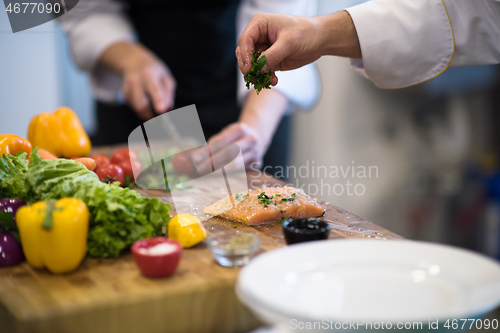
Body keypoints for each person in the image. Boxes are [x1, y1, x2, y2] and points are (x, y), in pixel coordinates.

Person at [58, 0, 320, 172]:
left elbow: (286, 25)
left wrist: (255, 130)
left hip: (247, 106)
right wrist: (130, 59)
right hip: (136, 109)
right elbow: (83, 10)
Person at [237, 0, 500, 89]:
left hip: (226, 98)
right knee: (194, 187)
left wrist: (253, 130)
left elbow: (477, 15)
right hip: (194, 103)